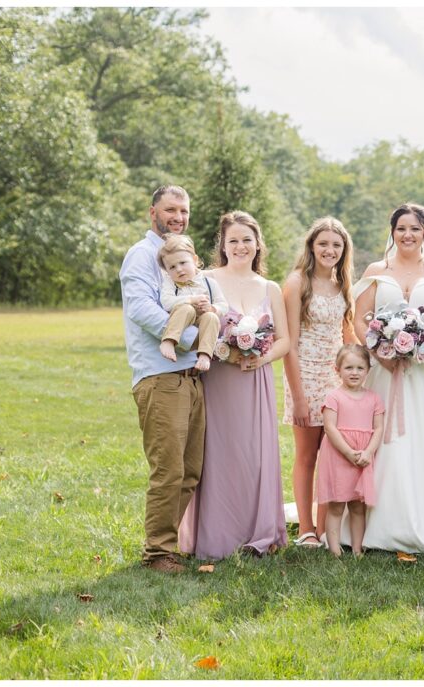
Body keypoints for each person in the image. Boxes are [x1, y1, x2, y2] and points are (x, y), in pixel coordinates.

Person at [351, 203, 424, 555]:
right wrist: (379, 352)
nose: (408, 235)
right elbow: (359, 319)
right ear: (392, 232)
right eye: (401, 228)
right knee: (386, 443)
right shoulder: (376, 269)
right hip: (385, 373)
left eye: (414, 229)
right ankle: (381, 521)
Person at [179, 211, 290, 560]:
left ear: (258, 244)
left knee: (253, 456)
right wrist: (222, 349)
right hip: (217, 379)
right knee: (217, 453)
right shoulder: (207, 279)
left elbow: (285, 340)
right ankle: (217, 536)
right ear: (222, 246)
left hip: (254, 380)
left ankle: (257, 531)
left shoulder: (270, 288)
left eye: (247, 239)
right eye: (233, 241)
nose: (240, 246)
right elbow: (194, 328)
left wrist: (262, 357)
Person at [120, 184, 206, 574]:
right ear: (151, 212)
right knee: (168, 468)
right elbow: (141, 309)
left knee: (189, 470)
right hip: (161, 375)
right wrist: (191, 339)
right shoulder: (141, 257)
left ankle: (168, 546)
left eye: (184, 211)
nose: (178, 216)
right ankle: (157, 553)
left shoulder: (183, 255)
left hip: (190, 376)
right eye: (171, 209)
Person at [281, 217, 357, 549]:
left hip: (335, 378)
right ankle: (307, 529)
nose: (329, 250)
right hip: (305, 376)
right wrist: (298, 397)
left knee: (333, 456)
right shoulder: (298, 282)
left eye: (336, 245)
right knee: (307, 455)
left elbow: (348, 333)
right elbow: (289, 344)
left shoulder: (344, 283)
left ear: (344, 251)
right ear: (312, 245)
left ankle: (328, 528)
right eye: (323, 243)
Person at [319, 345, 385, 558]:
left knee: (358, 507)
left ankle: (357, 549)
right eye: (348, 368)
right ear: (337, 369)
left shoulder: (374, 398)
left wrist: (368, 452)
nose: (354, 372)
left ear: (368, 370)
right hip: (340, 456)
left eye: (359, 368)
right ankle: (335, 550)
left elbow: (378, 428)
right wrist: (348, 452)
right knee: (337, 505)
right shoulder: (334, 397)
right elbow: (329, 428)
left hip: (363, 457)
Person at [157, 234, 228, 373]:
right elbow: (166, 302)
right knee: (187, 309)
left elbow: (223, 305)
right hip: (182, 320)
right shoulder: (171, 284)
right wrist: (190, 299)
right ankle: (168, 341)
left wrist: (212, 308)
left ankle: (205, 355)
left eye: (183, 263)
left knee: (212, 318)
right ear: (167, 271)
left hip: (202, 320)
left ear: (194, 260)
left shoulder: (209, 282)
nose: (178, 269)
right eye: (172, 267)